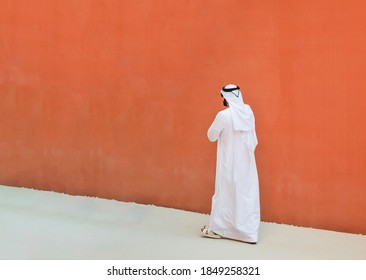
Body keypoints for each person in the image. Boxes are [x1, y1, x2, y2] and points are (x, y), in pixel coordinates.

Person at [201, 84, 260, 244]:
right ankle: (248, 234)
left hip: (229, 163)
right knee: (245, 195)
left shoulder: (223, 115)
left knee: (225, 193)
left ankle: (218, 229)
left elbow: (211, 136)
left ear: (225, 98)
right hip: (247, 164)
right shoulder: (248, 112)